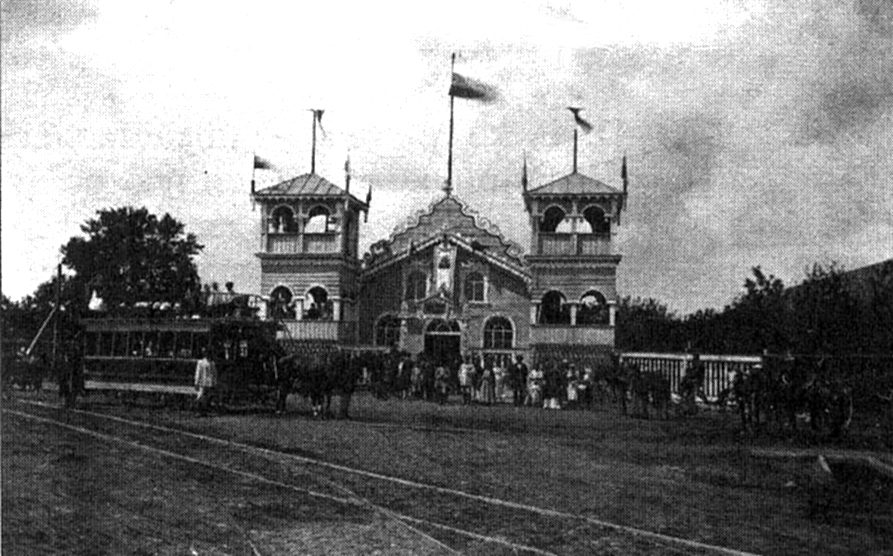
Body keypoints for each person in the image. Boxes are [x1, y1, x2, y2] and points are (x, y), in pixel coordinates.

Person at [194, 348, 217, 414]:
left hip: (210, 383)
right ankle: (198, 411)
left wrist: (214, 382)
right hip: (202, 382)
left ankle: (205, 411)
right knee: (200, 396)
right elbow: (198, 373)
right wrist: (196, 382)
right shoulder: (200, 362)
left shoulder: (212, 363)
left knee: (208, 397)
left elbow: (214, 374)